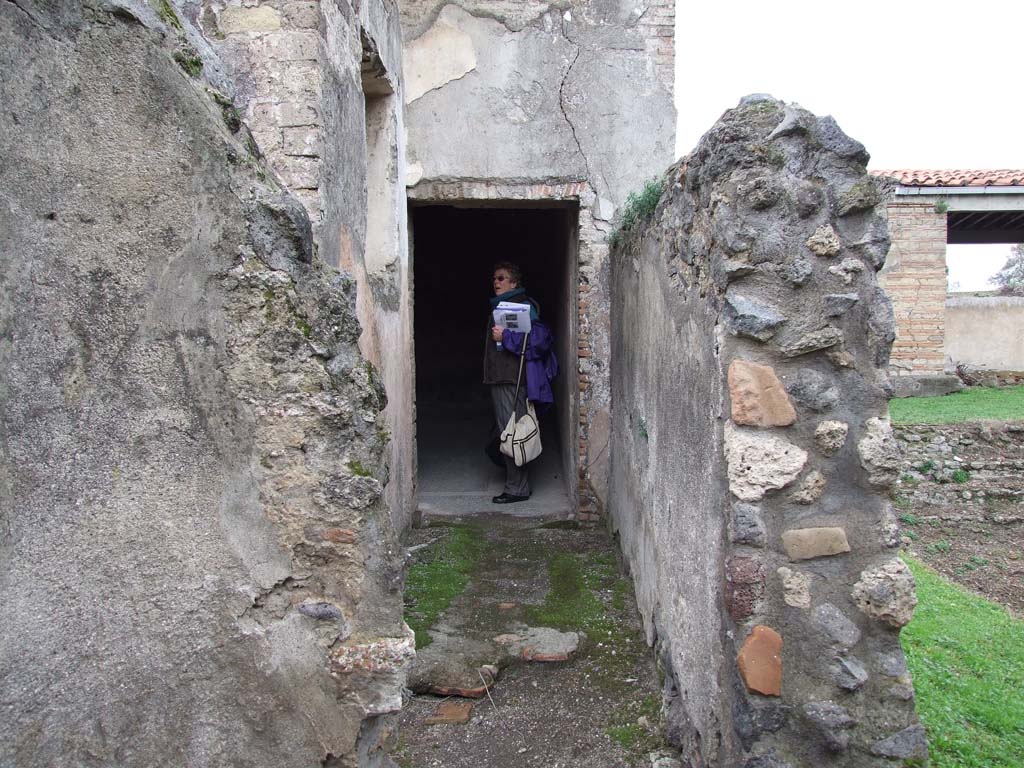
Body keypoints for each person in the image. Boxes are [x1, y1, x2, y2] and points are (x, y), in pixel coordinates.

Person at [483, 262, 557, 504]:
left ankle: (517, 488)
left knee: (512, 434)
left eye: (502, 278)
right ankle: (516, 480)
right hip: (502, 378)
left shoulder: (523, 306)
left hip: (513, 379)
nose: (496, 282)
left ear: (514, 283)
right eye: (495, 278)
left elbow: (538, 340)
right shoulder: (502, 306)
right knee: (505, 432)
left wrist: (505, 336)